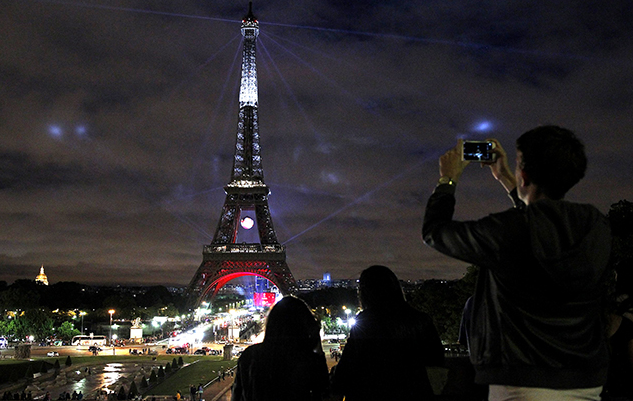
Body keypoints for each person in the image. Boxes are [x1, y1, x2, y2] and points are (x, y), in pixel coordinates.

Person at [422, 126, 611, 400]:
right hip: (586, 378)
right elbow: (539, 228)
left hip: (521, 379)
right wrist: (506, 179)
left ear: (524, 173)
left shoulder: (507, 231)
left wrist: (447, 180)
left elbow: (435, 233)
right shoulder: (596, 226)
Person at [331, 265, 444, 400]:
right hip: (414, 391)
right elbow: (436, 358)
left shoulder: (366, 322)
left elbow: (348, 364)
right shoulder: (421, 319)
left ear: (365, 293)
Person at [231, 295, 329, 401]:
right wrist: (317, 345)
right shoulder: (308, 361)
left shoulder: (250, 356)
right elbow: (325, 393)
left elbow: (237, 395)